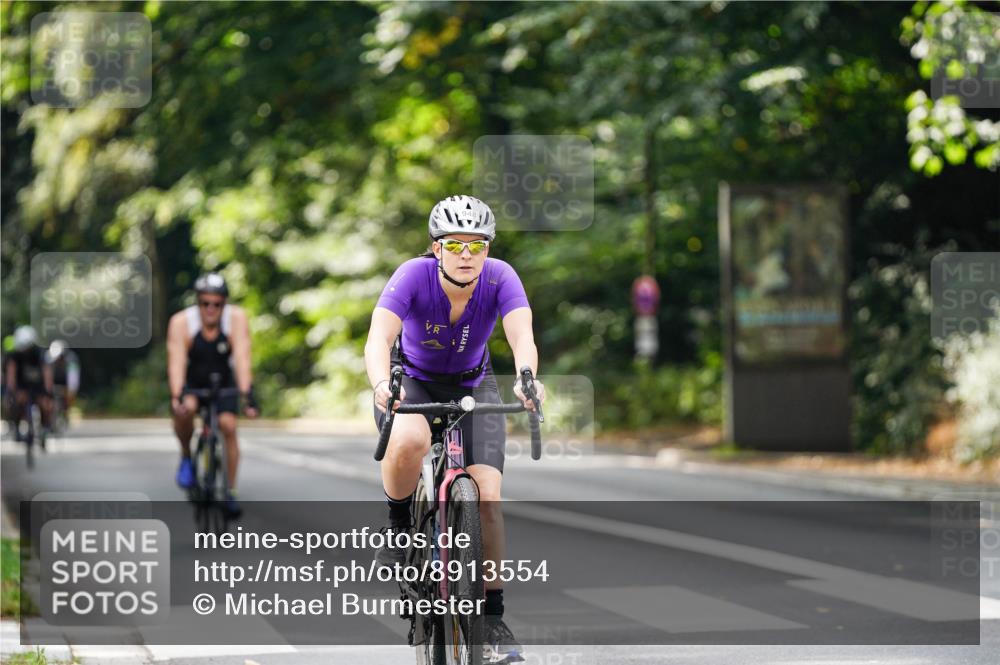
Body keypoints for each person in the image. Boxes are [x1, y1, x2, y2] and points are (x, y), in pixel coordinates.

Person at [364, 195, 545, 664]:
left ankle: (493, 620)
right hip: (413, 381)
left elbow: (521, 335)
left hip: (473, 383)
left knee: (487, 494)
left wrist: (527, 378)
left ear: (488, 249)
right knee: (411, 439)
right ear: (436, 248)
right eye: (455, 244)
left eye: (477, 245)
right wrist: (382, 384)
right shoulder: (412, 275)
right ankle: (399, 528)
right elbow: (379, 337)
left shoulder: (501, 277)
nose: (467, 254)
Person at [167, 273, 258, 517]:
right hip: (193, 380)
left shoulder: (236, 319)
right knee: (185, 409)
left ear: (224, 303)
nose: (210, 309)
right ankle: (186, 456)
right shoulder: (181, 322)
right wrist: (177, 395)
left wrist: (248, 395)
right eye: (205, 303)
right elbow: (176, 362)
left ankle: (230, 491)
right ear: (197, 302)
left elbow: (242, 359)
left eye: (217, 304)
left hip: (223, 380)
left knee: (228, 425)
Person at [4, 325, 54, 444]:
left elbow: (47, 373)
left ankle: (44, 428)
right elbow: (11, 373)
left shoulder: (40, 353)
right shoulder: (15, 355)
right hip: (22, 384)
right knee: (16, 401)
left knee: (45, 404)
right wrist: (10, 390)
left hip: (38, 385)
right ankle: (16, 428)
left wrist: (48, 391)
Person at [45, 339, 81, 428]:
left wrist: (71, 391)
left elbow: (73, 379)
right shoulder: (48, 359)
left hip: (66, 381)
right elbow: (47, 376)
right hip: (54, 380)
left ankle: (66, 411)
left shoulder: (72, 360)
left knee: (70, 395)